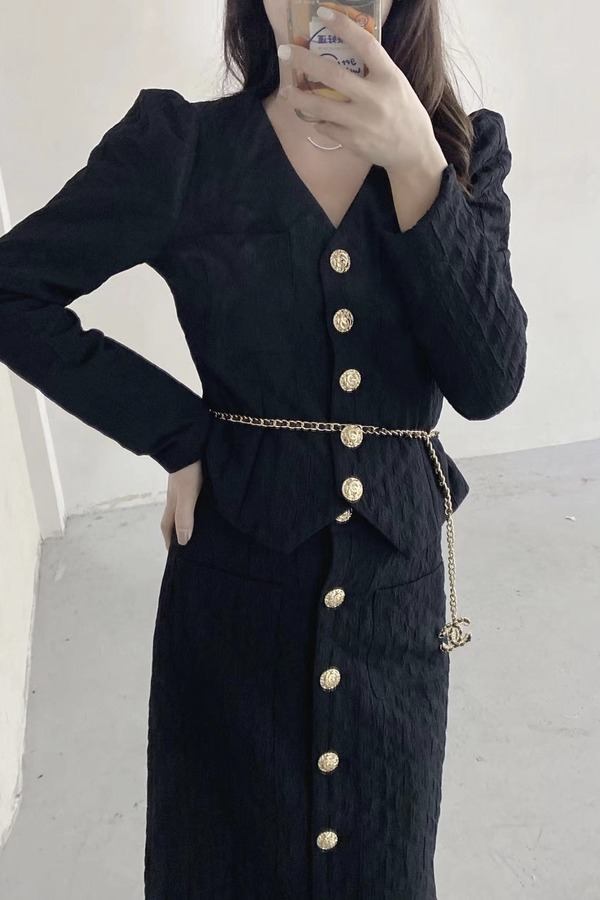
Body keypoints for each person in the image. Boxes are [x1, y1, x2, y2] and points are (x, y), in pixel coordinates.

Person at [0, 0, 528, 896]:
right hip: (234, 602)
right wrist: (177, 432)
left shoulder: (461, 151)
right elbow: (14, 290)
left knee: (383, 866)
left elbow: (490, 383)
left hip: (395, 609)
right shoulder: (185, 149)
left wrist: (415, 162)